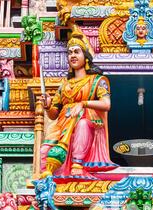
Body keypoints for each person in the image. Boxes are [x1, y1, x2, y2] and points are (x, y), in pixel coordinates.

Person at [40, 25, 117, 177]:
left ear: (85, 56)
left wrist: (83, 104)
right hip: (62, 125)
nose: (72, 56)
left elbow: (106, 104)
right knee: (44, 149)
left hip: (86, 123)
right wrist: (48, 106)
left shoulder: (97, 80)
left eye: (76, 52)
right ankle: (51, 175)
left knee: (82, 124)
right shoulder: (64, 85)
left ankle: (77, 163)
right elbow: (54, 114)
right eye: (69, 53)